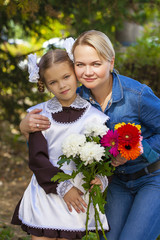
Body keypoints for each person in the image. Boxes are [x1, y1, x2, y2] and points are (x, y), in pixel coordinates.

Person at [19, 30, 160, 240]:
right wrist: (24, 126)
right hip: (116, 182)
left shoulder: (137, 96)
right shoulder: (77, 96)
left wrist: (137, 148)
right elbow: (48, 138)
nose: (88, 72)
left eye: (96, 63)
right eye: (80, 65)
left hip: (152, 177)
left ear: (110, 63)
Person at [11, 49, 110, 240]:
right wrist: (64, 188)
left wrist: (101, 179)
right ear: (45, 85)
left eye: (66, 77)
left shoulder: (96, 118)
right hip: (46, 192)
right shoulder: (40, 115)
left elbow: (104, 158)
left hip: (79, 196)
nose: (62, 85)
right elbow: (37, 160)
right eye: (53, 82)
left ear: (75, 73)